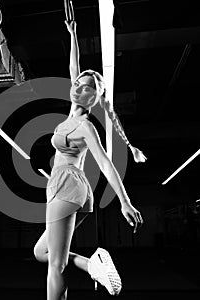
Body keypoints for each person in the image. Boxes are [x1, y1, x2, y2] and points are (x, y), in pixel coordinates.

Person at [33, 20, 145, 300]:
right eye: (78, 84)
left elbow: (105, 162)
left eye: (87, 88)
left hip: (68, 186)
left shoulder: (85, 126)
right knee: (42, 253)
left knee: (55, 265)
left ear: (95, 97)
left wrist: (125, 201)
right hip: (67, 186)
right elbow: (74, 68)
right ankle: (91, 263)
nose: (79, 88)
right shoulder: (71, 113)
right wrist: (72, 35)